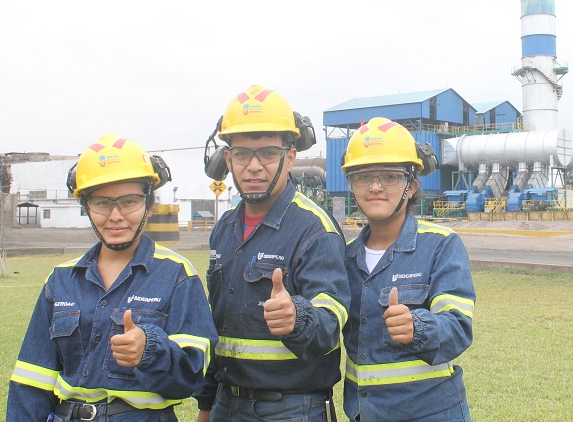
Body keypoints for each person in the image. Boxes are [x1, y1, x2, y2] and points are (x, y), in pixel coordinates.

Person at [7, 135, 218, 422]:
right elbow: (32, 379)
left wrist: (150, 351)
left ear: (149, 205)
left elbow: (191, 378)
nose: (116, 216)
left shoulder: (177, 275)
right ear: (86, 207)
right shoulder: (60, 280)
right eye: (102, 203)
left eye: (129, 201)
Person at [195, 85, 350, 422]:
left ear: (289, 157)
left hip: (291, 408)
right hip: (225, 403)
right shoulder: (223, 229)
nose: (253, 166)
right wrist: (206, 404)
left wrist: (298, 318)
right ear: (228, 160)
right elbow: (215, 325)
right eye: (241, 154)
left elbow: (331, 320)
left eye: (267, 153)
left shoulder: (314, 229)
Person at [340, 117, 476, 422]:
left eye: (390, 176)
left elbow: (458, 328)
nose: (375, 187)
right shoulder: (345, 257)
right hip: (364, 414)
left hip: (430, 414)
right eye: (363, 177)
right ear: (352, 186)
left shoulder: (440, 245)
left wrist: (418, 328)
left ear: (412, 186)